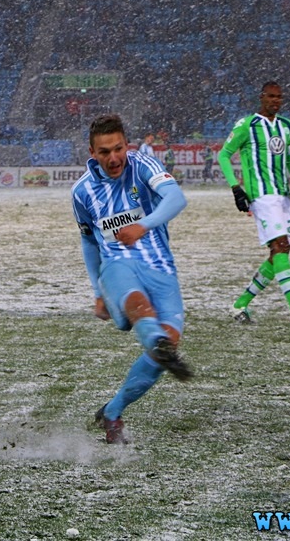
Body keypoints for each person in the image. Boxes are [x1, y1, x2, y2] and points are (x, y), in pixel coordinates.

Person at [72, 114, 193, 445]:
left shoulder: (144, 165)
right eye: (104, 151)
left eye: (119, 148)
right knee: (140, 308)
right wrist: (97, 291)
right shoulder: (82, 191)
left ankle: (113, 411)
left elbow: (176, 198)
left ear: (128, 144)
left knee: (167, 345)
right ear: (92, 152)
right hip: (117, 267)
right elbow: (88, 241)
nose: (114, 158)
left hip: (161, 268)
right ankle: (154, 338)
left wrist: (145, 224)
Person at [218, 81, 290, 325]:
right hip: (262, 196)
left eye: (279, 97)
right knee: (280, 244)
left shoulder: (287, 126)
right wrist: (236, 188)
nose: (276, 101)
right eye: (271, 96)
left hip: (283, 196)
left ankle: (240, 305)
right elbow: (223, 155)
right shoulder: (247, 125)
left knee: (280, 251)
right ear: (262, 97)